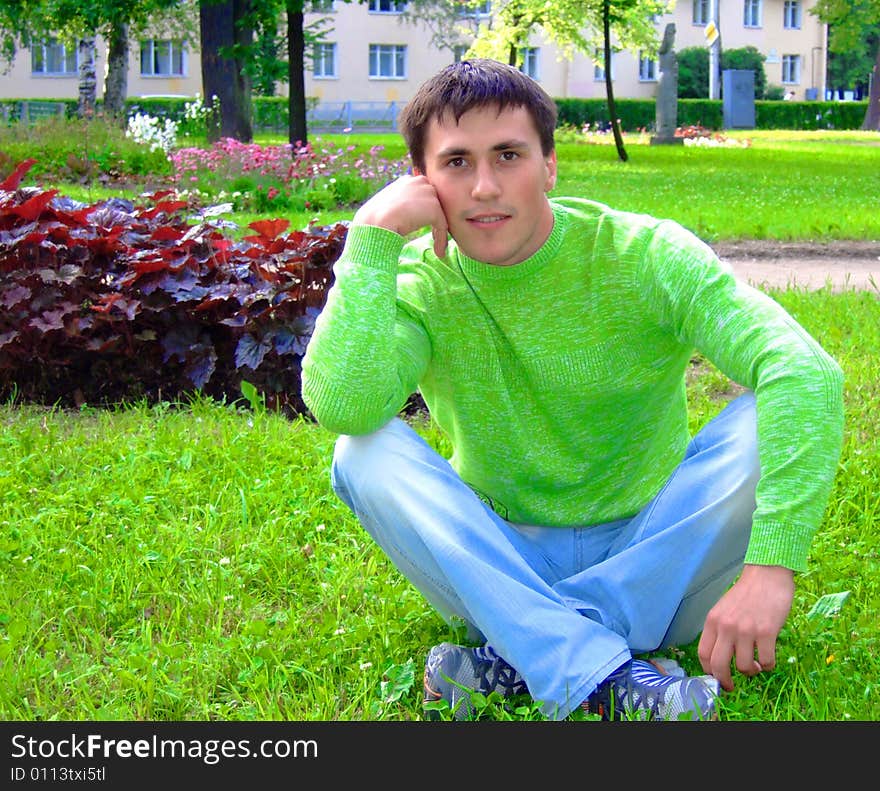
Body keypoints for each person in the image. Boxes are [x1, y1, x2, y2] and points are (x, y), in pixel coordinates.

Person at [301, 59, 844, 721]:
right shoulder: (421, 281)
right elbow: (342, 405)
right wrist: (371, 239)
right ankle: (608, 673)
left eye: (508, 155)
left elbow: (804, 369)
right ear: (422, 180)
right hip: (505, 562)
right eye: (456, 163)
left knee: (770, 411)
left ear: (550, 165)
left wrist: (770, 568)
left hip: (660, 553)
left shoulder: (642, 254)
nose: (484, 187)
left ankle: (528, 649)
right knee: (363, 452)